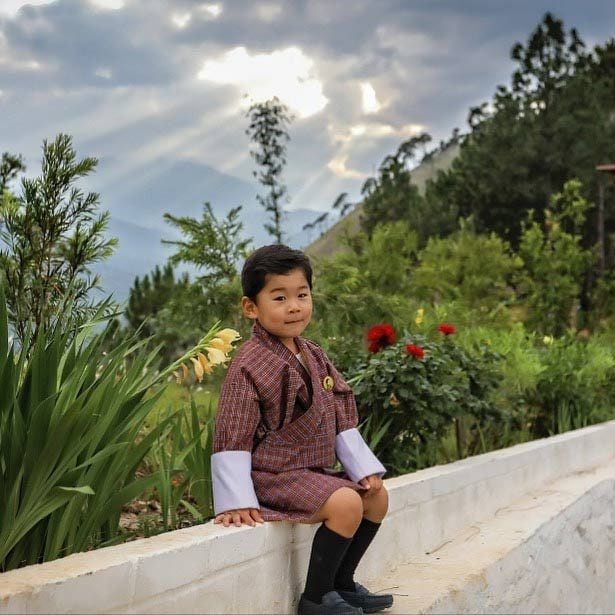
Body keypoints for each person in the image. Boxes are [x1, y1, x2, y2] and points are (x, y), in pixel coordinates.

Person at [212, 244, 393, 615]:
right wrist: (237, 500)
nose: (294, 306)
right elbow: (233, 428)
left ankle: (342, 584)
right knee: (345, 503)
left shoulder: (312, 353)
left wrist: (363, 469)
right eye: (279, 297)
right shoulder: (248, 363)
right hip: (270, 475)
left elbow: (340, 409)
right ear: (251, 307)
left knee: (376, 497)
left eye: (302, 295)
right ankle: (315, 596)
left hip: (307, 471)